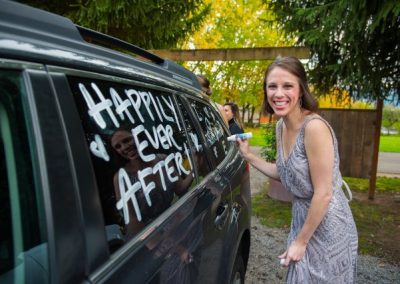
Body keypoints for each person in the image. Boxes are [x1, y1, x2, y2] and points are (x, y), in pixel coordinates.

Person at [236, 56, 358, 283]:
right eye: (272, 86)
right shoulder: (281, 125)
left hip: (329, 225)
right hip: (304, 219)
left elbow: (324, 193)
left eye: (287, 86)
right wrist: (248, 156)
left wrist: (301, 242)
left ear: (301, 90)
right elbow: (286, 174)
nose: (278, 94)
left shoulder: (314, 128)